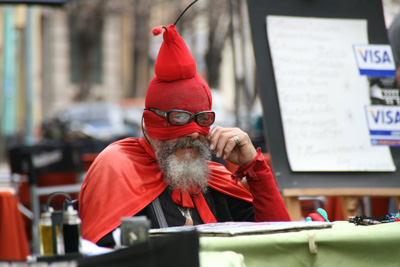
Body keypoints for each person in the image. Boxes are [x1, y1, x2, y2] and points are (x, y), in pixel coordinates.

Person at [78, 3, 290, 248]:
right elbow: (101, 252)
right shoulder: (118, 168)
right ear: (149, 124)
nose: (191, 133)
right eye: (178, 118)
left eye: (202, 119)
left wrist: (254, 166)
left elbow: (279, 241)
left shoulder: (214, 179)